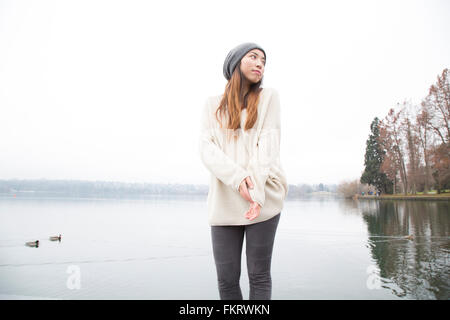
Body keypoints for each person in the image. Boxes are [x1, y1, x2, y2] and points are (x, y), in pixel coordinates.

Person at [199, 42, 288, 300]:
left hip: (264, 196)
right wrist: (238, 180)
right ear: (236, 63)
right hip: (224, 200)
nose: (260, 63)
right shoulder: (211, 105)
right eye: (253, 57)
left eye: (263, 60)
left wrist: (255, 192)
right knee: (226, 281)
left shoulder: (269, 97)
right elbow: (206, 150)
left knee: (259, 276)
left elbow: (268, 147)